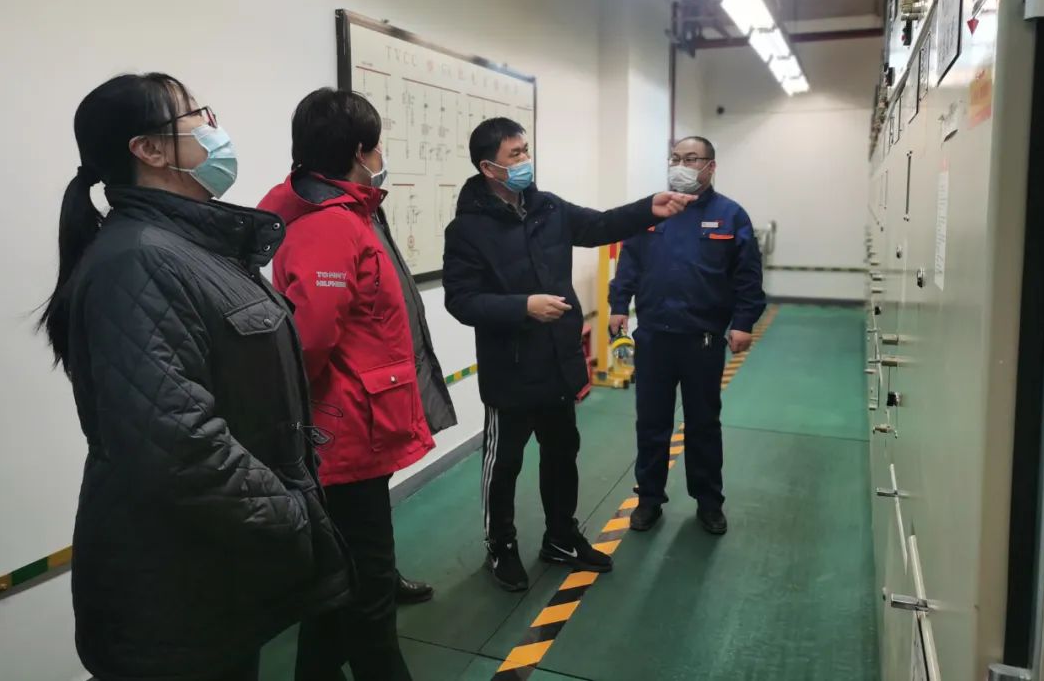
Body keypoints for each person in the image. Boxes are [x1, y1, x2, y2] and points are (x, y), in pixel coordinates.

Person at [38, 73, 351, 681]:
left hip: (216, 564)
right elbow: (176, 447)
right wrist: (292, 514)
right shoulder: (140, 261)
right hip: (173, 585)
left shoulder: (191, 247)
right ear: (149, 150)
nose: (214, 128)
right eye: (197, 116)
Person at [442, 117, 693, 592]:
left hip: (558, 363)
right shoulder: (468, 230)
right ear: (489, 167)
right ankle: (501, 546)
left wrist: (649, 208)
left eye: (525, 150)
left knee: (562, 454)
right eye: (515, 154)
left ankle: (560, 536)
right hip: (511, 371)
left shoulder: (548, 208)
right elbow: (461, 301)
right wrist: (523, 306)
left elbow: (599, 225)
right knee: (504, 464)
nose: (526, 160)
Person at [258, 88, 437, 681]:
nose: (381, 155)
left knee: (344, 580)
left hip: (354, 426)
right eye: (377, 144)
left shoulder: (341, 213)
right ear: (361, 151)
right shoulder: (329, 226)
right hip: (347, 432)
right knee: (369, 586)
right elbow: (309, 339)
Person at [609, 135, 766, 536]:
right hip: (654, 338)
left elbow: (747, 276)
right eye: (675, 158)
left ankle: (709, 502)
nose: (681, 165)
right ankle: (649, 499)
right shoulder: (652, 211)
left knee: (703, 425)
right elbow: (629, 262)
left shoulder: (731, 216)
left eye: (691, 158)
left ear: (711, 166)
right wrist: (617, 305)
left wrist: (743, 322)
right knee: (652, 424)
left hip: (703, 340)